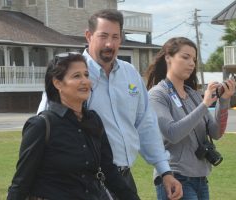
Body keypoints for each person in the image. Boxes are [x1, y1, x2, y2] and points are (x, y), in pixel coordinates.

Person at [37, 9, 182, 200]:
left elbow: (146, 124)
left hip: (123, 177)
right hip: (84, 183)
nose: (109, 44)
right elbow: (45, 125)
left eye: (115, 37)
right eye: (103, 36)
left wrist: (165, 171)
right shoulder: (69, 75)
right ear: (88, 36)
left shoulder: (130, 74)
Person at [7, 53, 140, 200]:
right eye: (77, 76)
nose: (85, 81)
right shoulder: (41, 126)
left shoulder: (93, 120)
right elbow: (21, 183)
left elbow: (109, 171)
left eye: (86, 74)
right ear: (58, 83)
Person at [145, 37, 236, 200]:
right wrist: (205, 103)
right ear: (168, 58)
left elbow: (216, 133)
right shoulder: (157, 94)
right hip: (174, 176)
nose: (192, 63)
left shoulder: (193, 94)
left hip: (200, 179)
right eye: (185, 57)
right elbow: (172, 133)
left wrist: (224, 100)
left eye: (194, 59)